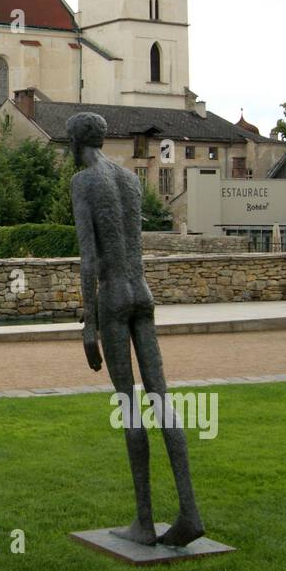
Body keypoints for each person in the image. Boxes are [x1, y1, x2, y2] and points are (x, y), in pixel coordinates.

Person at [69, 111, 204, 547]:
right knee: (162, 399)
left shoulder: (83, 183)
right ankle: (189, 511)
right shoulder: (129, 180)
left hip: (112, 298)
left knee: (130, 408)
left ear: (75, 142)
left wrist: (88, 321)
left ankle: (144, 522)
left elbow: (90, 259)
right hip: (142, 293)